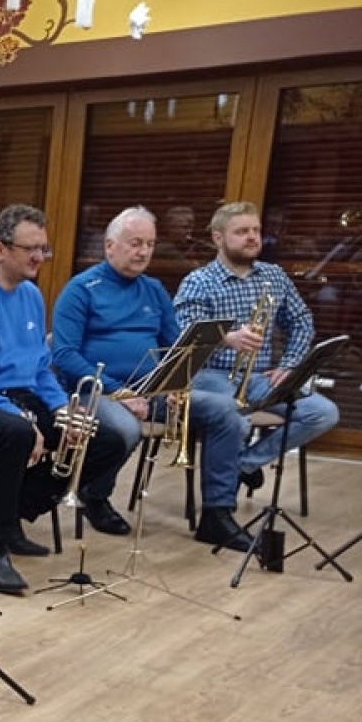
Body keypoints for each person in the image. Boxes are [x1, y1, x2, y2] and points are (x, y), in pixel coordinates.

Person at [0, 204, 130, 595]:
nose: (40, 257)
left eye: (43, 248)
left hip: (18, 397)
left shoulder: (30, 294)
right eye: (31, 249)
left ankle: (11, 514)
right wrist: (21, 417)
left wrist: (60, 408)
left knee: (105, 439)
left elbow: (39, 367)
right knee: (16, 434)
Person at [51, 207, 252, 548]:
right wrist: (121, 392)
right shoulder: (81, 289)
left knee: (224, 410)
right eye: (135, 243)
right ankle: (94, 496)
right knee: (126, 429)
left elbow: (175, 346)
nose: (143, 251)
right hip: (98, 391)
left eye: (150, 244)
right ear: (110, 245)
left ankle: (217, 514)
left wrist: (176, 382)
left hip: (152, 390)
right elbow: (64, 355)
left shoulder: (154, 289)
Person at [173, 201, 339, 502]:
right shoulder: (198, 282)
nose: (252, 237)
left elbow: (301, 320)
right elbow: (185, 333)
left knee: (323, 413)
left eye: (255, 230)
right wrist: (227, 338)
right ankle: (220, 500)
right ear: (218, 238)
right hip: (210, 377)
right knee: (235, 421)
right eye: (241, 232)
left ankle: (242, 465)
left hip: (259, 377)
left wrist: (289, 364)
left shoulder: (273, 276)